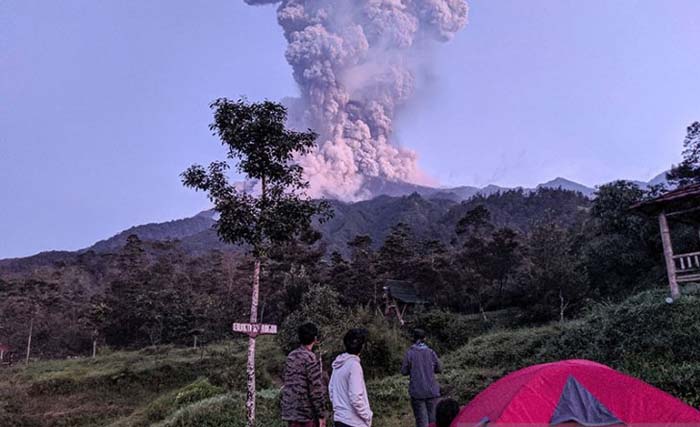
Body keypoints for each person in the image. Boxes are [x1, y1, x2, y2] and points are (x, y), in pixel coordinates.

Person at [281, 322, 327, 427]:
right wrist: (321, 414)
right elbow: (315, 389)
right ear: (315, 339)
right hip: (306, 413)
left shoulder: (291, 356)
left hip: (291, 411)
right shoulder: (310, 358)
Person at [329, 328, 372, 427]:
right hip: (353, 422)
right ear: (361, 347)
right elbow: (356, 397)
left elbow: (331, 390)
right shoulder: (354, 366)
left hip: (339, 419)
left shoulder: (338, 364)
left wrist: (339, 407)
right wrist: (367, 415)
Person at [401, 328, 443, 427]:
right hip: (432, 391)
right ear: (424, 338)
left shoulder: (410, 353)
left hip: (417, 393)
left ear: (413, 339)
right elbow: (440, 368)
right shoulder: (431, 352)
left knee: (422, 423)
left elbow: (404, 371)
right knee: (434, 423)